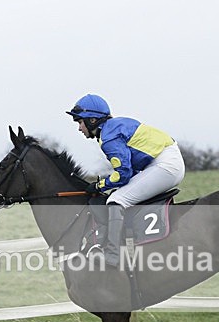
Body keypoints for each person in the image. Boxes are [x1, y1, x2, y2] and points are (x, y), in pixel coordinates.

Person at [66, 94, 185, 267]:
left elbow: (123, 173)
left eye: (80, 122)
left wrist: (100, 185)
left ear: (92, 120)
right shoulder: (113, 127)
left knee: (116, 200)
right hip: (164, 162)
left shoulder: (109, 137)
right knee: (119, 194)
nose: (79, 128)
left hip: (165, 165)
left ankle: (113, 255)